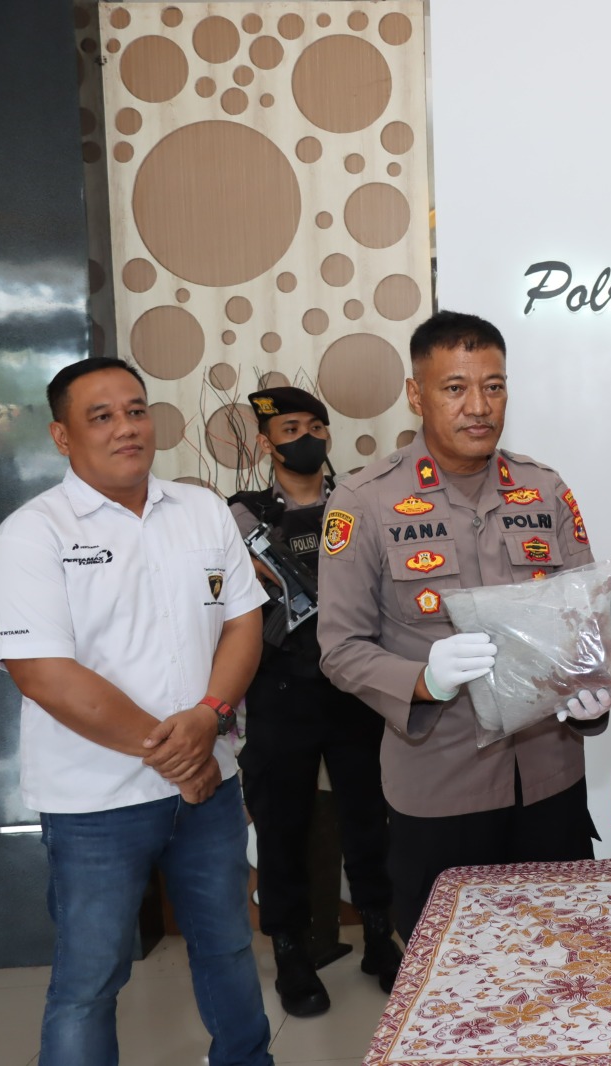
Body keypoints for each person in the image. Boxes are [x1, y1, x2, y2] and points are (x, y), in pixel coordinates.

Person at [0, 358, 273, 1066]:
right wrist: (179, 751)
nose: (127, 427)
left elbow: (243, 623)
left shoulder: (202, 509)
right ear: (62, 436)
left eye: (137, 410)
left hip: (210, 787)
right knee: (90, 980)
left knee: (230, 950)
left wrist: (210, 715)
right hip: (95, 804)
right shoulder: (32, 535)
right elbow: (47, 677)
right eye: (102, 416)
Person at [316, 311, 611, 941]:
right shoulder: (365, 500)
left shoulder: (544, 490)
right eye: (455, 388)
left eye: (494, 386)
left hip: (549, 783)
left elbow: (587, 620)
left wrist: (593, 692)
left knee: (564, 964)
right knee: (447, 983)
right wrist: (422, 680)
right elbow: (339, 648)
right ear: (416, 395)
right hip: (439, 789)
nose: (478, 406)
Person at [228, 386, 399, 1016]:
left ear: (328, 434)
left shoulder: (359, 503)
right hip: (278, 691)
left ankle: (381, 936)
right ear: (267, 442)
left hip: (353, 689)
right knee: (282, 828)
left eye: (312, 426)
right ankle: (291, 951)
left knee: (369, 820)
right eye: (288, 427)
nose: (302, 437)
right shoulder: (240, 516)